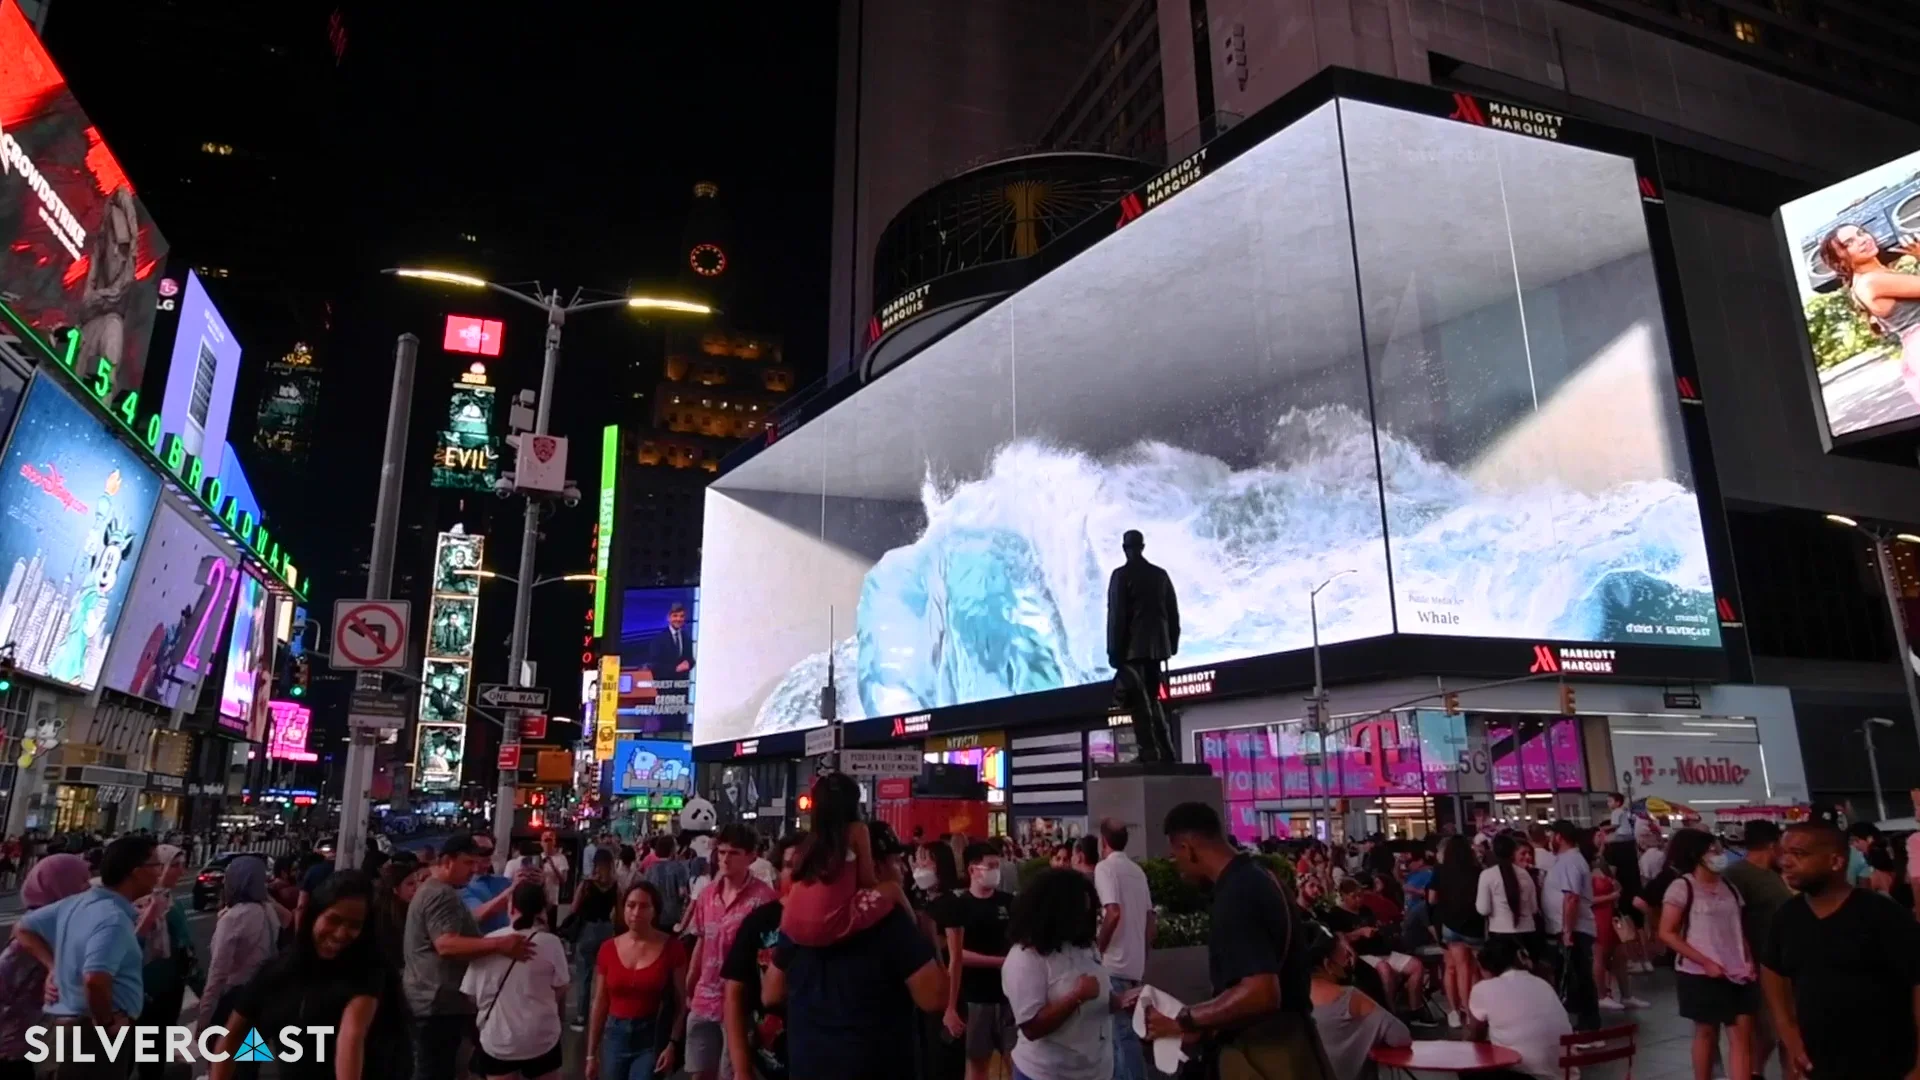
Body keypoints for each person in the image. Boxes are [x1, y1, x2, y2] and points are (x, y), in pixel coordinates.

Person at [1140, 802, 1331, 1079]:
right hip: (1291, 1044)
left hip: (1266, 1055)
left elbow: (1261, 992)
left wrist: (1185, 1020)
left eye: (1175, 856)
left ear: (1188, 848)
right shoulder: (1261, 877)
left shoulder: (1237, 895)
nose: (1176, 866)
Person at [209, 870, 410, 1080]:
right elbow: (233, 1036)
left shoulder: (369, 972)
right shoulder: (277, 971)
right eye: (334, 920)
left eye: (354, 925)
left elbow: (351, 1038)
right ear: (314, 916)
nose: (341, 933)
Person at [1762, 821, 1920, 1080]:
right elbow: (1771, 969)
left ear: (1836, 861)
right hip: (1820, 1064)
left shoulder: (1882, 914)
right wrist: (1786, 1027)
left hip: (1886, 1062)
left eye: (1799, 854)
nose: (1785, 862)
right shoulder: (1787, 916)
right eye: (1783, 853)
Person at [12, 836, 159, 1079]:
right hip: (89, 1036)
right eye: (156, 865)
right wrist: (106, 1022)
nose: (159, 873)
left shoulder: (77, 903)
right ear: (137, 872)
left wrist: (53, 967)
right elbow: (95, 979)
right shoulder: (113, 919)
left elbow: (23, 928)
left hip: (56, 1028)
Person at [403, 833, 534, 1080]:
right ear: (447, 861)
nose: (474, 871)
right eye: (467, 863)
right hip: (436, 1003)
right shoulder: (440, 894)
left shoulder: (441, 891)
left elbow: (464, 924)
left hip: (437, 1000)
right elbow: (446, 944)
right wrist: (500, 944)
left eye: (476, 863)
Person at [1000, 868, 1123, 1080]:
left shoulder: (1083, 946)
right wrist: (1076, 996)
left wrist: (1122, 1002)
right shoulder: (1025, 958)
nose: (1084, 919)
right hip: (1047, 1073)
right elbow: (1032, 1028)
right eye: (1078, 912)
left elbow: (1103, 997)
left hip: (1097, 1070)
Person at [1658, 828, 1758, 1080]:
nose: (1719, 855)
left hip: (1737, 973)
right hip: (1699, 973)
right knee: (1706, 1033)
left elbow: (1739, 929)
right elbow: (1667, 933)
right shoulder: (1682, 887)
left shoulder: (1730, 888)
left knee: (1742, 1036)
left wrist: (1747, 960)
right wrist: (1705, 961)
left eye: (1719, 849)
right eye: (1713, 851)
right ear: (1696, 855)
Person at [685, 823, 778, 1080]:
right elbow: (701, 942)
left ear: (751, 856)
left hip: (740, 1004)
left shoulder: (764, 900)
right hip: (704, 997)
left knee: (731, 1071)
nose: (725, 859)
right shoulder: (706, 896)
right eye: (722, 852)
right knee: (699, 1070)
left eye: (734, 853)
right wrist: (690, 983)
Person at [781, 773, 908, 947]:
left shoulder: (811, 840)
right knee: (893, 889)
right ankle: (916, 934)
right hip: (828, 924)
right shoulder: (857, 830)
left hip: (791, 923)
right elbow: (867, 881)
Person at [461, 882, 569, 1080]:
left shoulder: (488, 943)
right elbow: (561, 987)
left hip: (499, 1040)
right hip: (542, 1038)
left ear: (511, 907)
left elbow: (470, 995)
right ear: (542, 909)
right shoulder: (551, 943)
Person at [585, 882, 689, 1080]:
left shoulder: (672, 948)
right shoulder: (608, 949)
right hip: (615, 1035)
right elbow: (600, 1002)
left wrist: (673, 1044)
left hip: (651, 1035)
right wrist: (591, 1054)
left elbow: (680, 1002)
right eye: (631, 905)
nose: (636, 912)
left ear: (655, 911)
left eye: (644, 906)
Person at [723, 832, 806, 1080]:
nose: (799, 874)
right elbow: (734, 996)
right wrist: (741, 1069)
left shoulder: (840, 922)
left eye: (807, 865)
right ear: (779, 872)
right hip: (770, 1062)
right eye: (790, 866)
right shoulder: (759, 921)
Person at [0, 854, 91, 1080]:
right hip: (13, 1044)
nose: (88, 887)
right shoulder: (40, 930)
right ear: (61, 885)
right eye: (82, 881)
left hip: (31, 1039)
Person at [937, 841, 1019, 1080]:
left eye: (998, 865)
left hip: (1008, 999)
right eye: (990, 866)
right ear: (973, 870)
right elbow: (956, 954)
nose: (996, 871)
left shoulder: (1008, 903)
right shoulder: (959, 906)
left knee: (1016, 1063)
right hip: (975, 999)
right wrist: (999, 961)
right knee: (977, 1066)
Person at [1817, 224, 1920, 407]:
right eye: (1849, 243)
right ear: (1839, 259)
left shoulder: (1877, 274)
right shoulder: (1871, 282)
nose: (1862, 240)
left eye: (1861, 233)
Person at [1721, 819, 1793, 1075]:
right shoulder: (1736, 875)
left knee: (1787, 1032)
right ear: (1772, 845)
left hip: (1787, 963)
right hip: (1759, 965)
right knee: (1769, 1032)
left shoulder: (1776, 874)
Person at [1106, 529, 1180, 763]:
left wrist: (1114, 652)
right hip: (1158, 650)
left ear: (1125, 548)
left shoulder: (1121, 575)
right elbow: (1173, 614)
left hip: (1133, 652)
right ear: (1143, 547)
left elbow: (1117, 617)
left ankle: (1149, 752)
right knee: (1152, 700)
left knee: (1140, 703)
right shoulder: (1160, 575)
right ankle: (1166, 751)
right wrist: (1171, 645)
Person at [1304, 923, 1410, 1080]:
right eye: (1344, 955)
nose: (1349, 959)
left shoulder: (1286, 1001)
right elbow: (1401, 1036)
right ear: (1328, 964)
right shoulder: (1349, 998)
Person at [198, 855, 287, 1035]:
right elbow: (289, 920)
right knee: (251, 1057)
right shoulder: (268, 909)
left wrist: (204, 1017)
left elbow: (218, 974)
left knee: (222, 1059)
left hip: (236, 1001)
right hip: (263, 996)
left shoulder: (234, 918)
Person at [1091, 818, 1151, 1080]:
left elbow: (1113, 912)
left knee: (1119, 1039)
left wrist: (1096, 951)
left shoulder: (1105, 869)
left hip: (1113, 964)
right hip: (1135, 965)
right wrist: (1142, 954)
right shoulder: (1137, 871)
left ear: (1103, 841)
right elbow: (1152, 922)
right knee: (1127, 1037)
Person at [1465, 936, 1573, 1080]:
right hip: (1565, 1075)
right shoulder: (1542, 983)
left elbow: (1474, 1039)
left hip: (1527, 1074)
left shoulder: (1483, 988)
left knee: (1468, 1067)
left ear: (1485, 968)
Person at [131, 844, 194, 1080]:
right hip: (140, 990)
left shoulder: (170, 902)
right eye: (174, 866)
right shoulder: (140, 904)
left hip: (167, 991)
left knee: (152, 1060)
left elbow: (186, 950)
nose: (181, 871)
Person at [1538, 821, 1600, 1032]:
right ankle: (1578, 1021)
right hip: (1569, 928)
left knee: (1580, 977)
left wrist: (1567, 931)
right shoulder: (1564, 860)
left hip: (1575, 929)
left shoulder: (1570, 861)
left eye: (1551, 835)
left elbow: (1571, 897)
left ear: (1559, 837)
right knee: (1574, 975)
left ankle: (1588, 1025)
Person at [565, 848, 623, 1028]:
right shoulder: (615, 886)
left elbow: (574, 908)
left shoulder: (587, 884)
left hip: (588, 929)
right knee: (605, 975)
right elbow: (620, 913)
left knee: (584, 975)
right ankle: (604, 1014)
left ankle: (582, 1017)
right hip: (606, 930)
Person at [1475, 832, 1539, 944]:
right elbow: (1534, 908)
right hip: (1528, 932)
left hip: (1500, 932)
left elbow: (1483, 909)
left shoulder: (1487, 875)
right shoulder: (1525, 875)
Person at [464, 833, 518, 934]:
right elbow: (476, 915)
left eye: (490, 851)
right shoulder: (460, 885)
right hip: (481, 944)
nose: (487, 854)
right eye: (482, 851)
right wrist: (512, 889)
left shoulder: (503, 881)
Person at [642, 834, 692, 931]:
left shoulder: (650, 869)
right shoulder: (679, 868)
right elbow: (682, 892)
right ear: (672, 849)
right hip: (673, 916)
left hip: (654, 915)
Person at [1846, 822, 1880, 887]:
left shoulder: (1880, 857)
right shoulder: (1857, 856)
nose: (1853, 845)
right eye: (1851, 841)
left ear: (1870, 839)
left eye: (1856, 840)